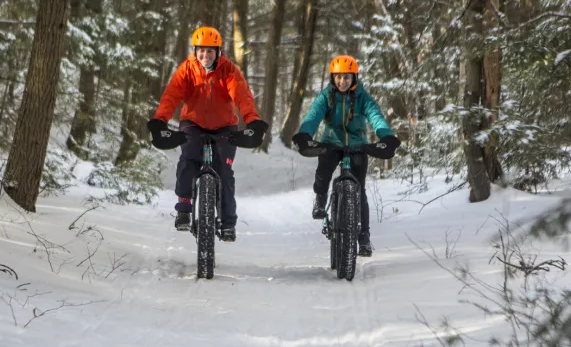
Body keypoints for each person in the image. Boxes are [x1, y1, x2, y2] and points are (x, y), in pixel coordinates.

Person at [147, 26, 267, 242]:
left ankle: (228, 223)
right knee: (188, 159)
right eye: (201, 50)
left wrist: (252, 121)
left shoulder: (229, 70)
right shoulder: (186, 69)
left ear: (219, 51)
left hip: (224, 126)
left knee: (224, 171)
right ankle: (184, 207)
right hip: (193, 122)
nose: (205, 55)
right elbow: (171, 97)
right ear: (195, 50)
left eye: (210, 51)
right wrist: (160, 121)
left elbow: (243, 97)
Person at [292, 55, 396, 257]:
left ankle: (364, 237)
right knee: (323, 173)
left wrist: (386, 135)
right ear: (332, 78)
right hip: (331, 143)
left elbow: (375, 116)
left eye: (347, 77)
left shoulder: (362, 97)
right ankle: (321, 198)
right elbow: (314, 115)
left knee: (360, 190)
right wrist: (305, 134)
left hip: (357, 146)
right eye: (338, 77)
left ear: (354, 77)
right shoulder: (326, 96)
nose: (342, 81)